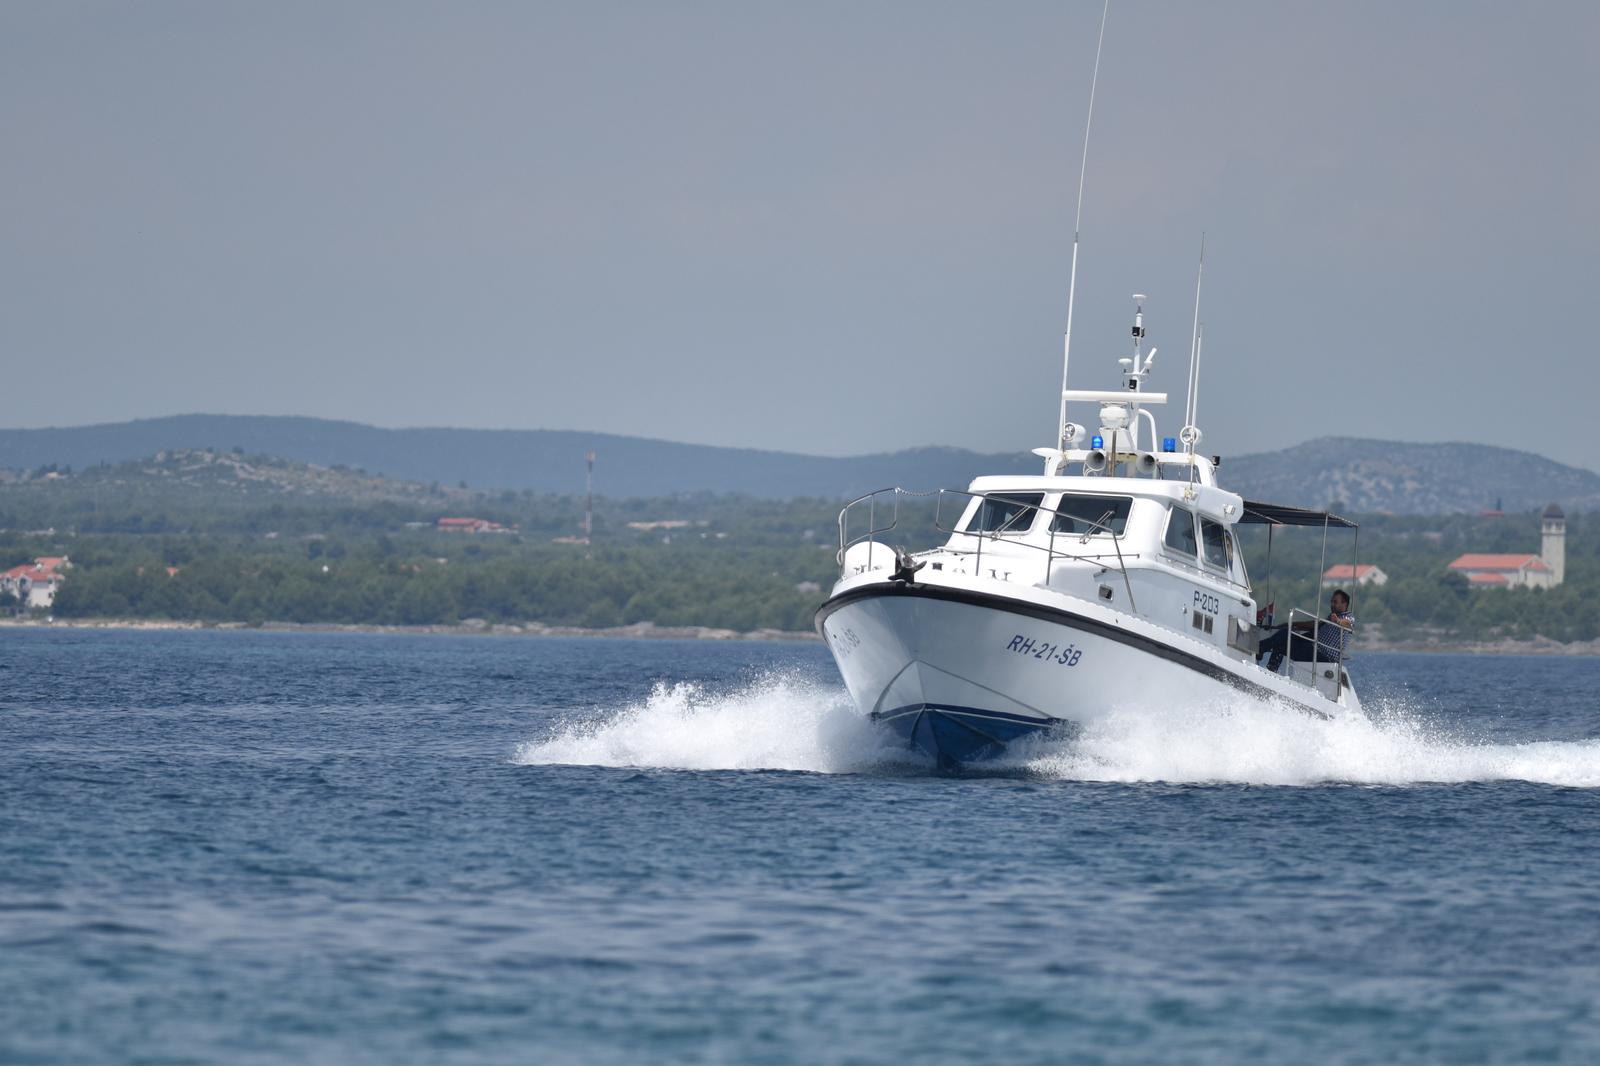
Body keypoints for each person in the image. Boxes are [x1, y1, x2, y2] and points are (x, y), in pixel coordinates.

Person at [1255, 589, 1354, 674]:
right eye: (1332, 602)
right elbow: (1314, 625)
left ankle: (1259, 648)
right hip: (1313, 650)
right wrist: (1291, 624)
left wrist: (1338, 621)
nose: (1332, 604)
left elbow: (1347, 624)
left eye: (1335, 602)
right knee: (1282, 641)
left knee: (1285, 635)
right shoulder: (1331, 616)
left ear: (1344, 603)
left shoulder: (1347, 617)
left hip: (1323, 656)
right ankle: (1271, 671)